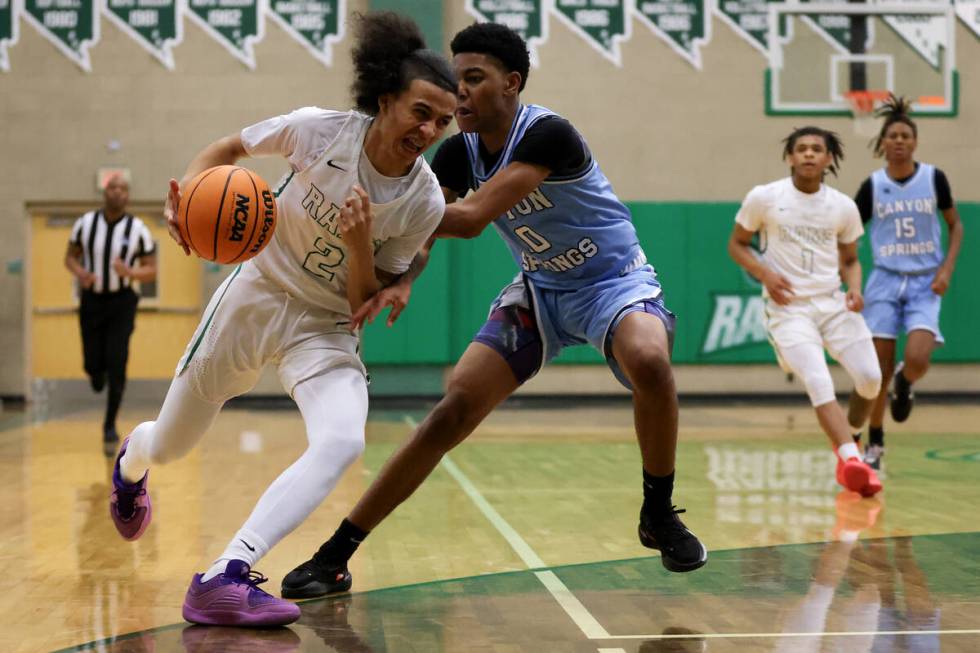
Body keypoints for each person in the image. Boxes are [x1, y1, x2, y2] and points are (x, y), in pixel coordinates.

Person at [282, 21, 707, 601]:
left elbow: (472, 217)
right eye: (454, 82)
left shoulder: (548, 135)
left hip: (613, 282)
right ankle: (335, 555)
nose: (458, 96)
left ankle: (658, 511)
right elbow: (427, 230)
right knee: (450, 412)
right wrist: (405, 278)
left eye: (473, 81)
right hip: (541, 289)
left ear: (512, 83)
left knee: (650, 362)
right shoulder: (458, 151)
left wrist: (363, 209)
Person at [106, 11, 457, 627]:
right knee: (172, 443)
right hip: (257, 292)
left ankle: (225, 574)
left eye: (443, 121)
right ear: (384, 100)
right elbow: (230, 149)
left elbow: (361, 304)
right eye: (420, 112)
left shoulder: (423, 200)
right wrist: (188, 197)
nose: (429, 129)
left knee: (344, 438)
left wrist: (358, 246)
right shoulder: (319, 131)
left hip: (324, 324)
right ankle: (132, 461)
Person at [727, 126, 883, 498]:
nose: (809, 154)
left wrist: (856, 288)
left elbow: (850, 260)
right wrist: (765, 272)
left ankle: (852, 440)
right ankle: (851, 460)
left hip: (832, 302)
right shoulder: (765, 198)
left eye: (817, 149)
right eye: (802, 148)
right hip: (789, 308)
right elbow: (737, 245)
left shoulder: (843, 206)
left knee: (871, 379)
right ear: (790, 157)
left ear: (829, 158)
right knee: (818, 379)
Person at [853, 95, 963, 469]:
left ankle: (907, 381)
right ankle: (876, 444)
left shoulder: (934, 178)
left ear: (914, 142)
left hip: (923, 281)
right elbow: (850, 231)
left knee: (917, 358)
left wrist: (946, 269)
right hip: (884, 280)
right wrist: (848, 273)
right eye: (892, 135)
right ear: (882, 143)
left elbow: (955, 225)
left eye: (905, 135)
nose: (899, 141)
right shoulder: (872, 185)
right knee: (877, 371)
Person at [64, 175, 157, 455]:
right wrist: (81, 273)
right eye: (113, 187)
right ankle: (95, 374)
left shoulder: (138, 228)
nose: (117, 192)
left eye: (123, 188)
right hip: (92, 299)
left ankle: (109, 423)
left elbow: (151, 269)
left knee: (117, 360)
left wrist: (130, 273)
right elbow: (70, 257)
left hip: (122, 302)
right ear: (105, 192)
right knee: (93, 364)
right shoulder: (85, 224)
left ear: (127, 195)